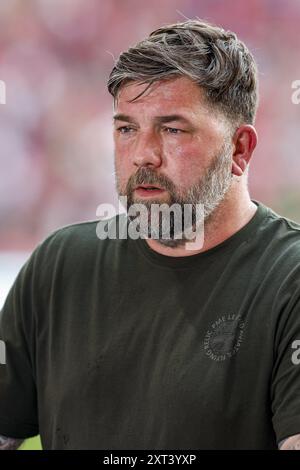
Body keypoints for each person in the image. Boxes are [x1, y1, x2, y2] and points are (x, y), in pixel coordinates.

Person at [1, 18, 300, 451]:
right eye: (126, 129)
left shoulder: (288, 280)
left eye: (172, 129)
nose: (143, 154)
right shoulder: (60, 266)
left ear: (240, 149)